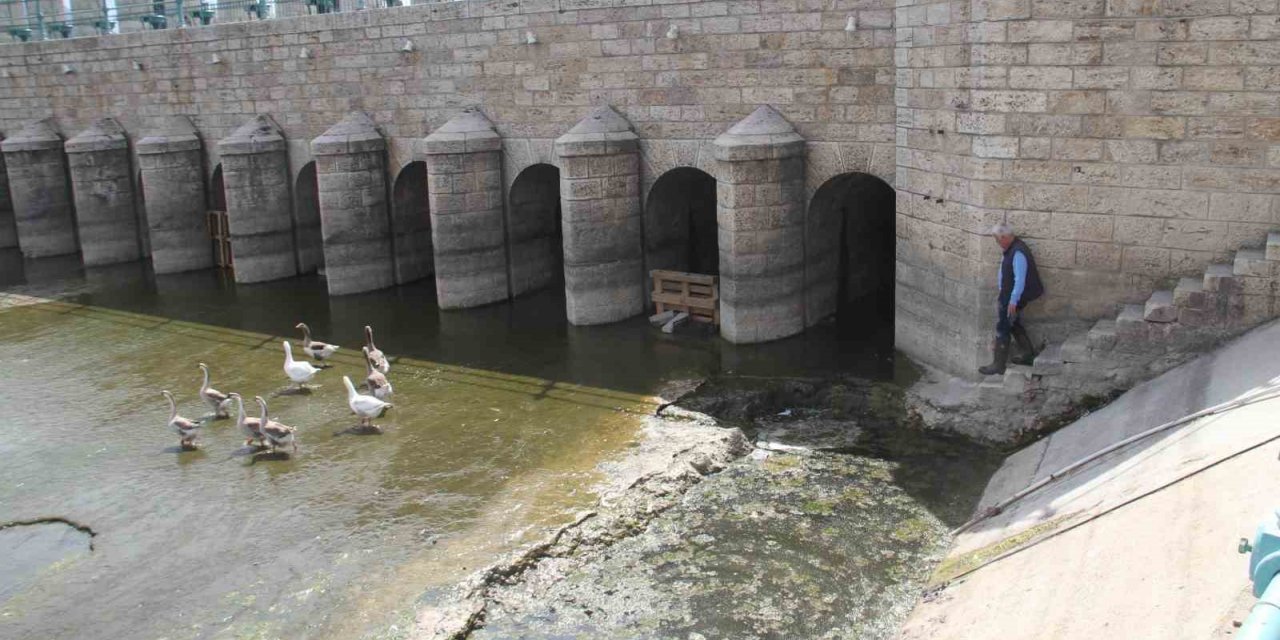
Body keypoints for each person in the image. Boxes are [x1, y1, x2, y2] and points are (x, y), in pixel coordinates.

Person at [980, 223, 1044, 375]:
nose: (997, 243)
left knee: (1003, 326)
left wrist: (1013, 301)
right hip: (1008, 294)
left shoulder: (1018, 252)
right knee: (1013, 322)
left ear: (1004, 237)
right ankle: (1028, 355)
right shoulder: (1012, 248)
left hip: (1013, 296)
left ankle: (998, 365)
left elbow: (1020, 279)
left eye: (997, 240)